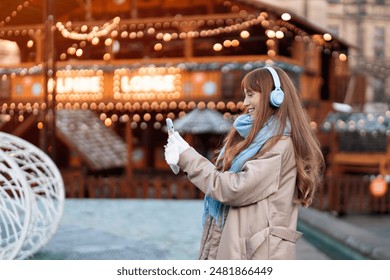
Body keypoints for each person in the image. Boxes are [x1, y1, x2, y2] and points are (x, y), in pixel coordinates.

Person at [164, 66, 324, 260]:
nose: (245, 102)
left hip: (257, 254)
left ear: (275, 97)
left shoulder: (279, 145)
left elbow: (233, 188)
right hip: (244, 248)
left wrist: (186, 156)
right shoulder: (253, 138)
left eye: (250, 95)